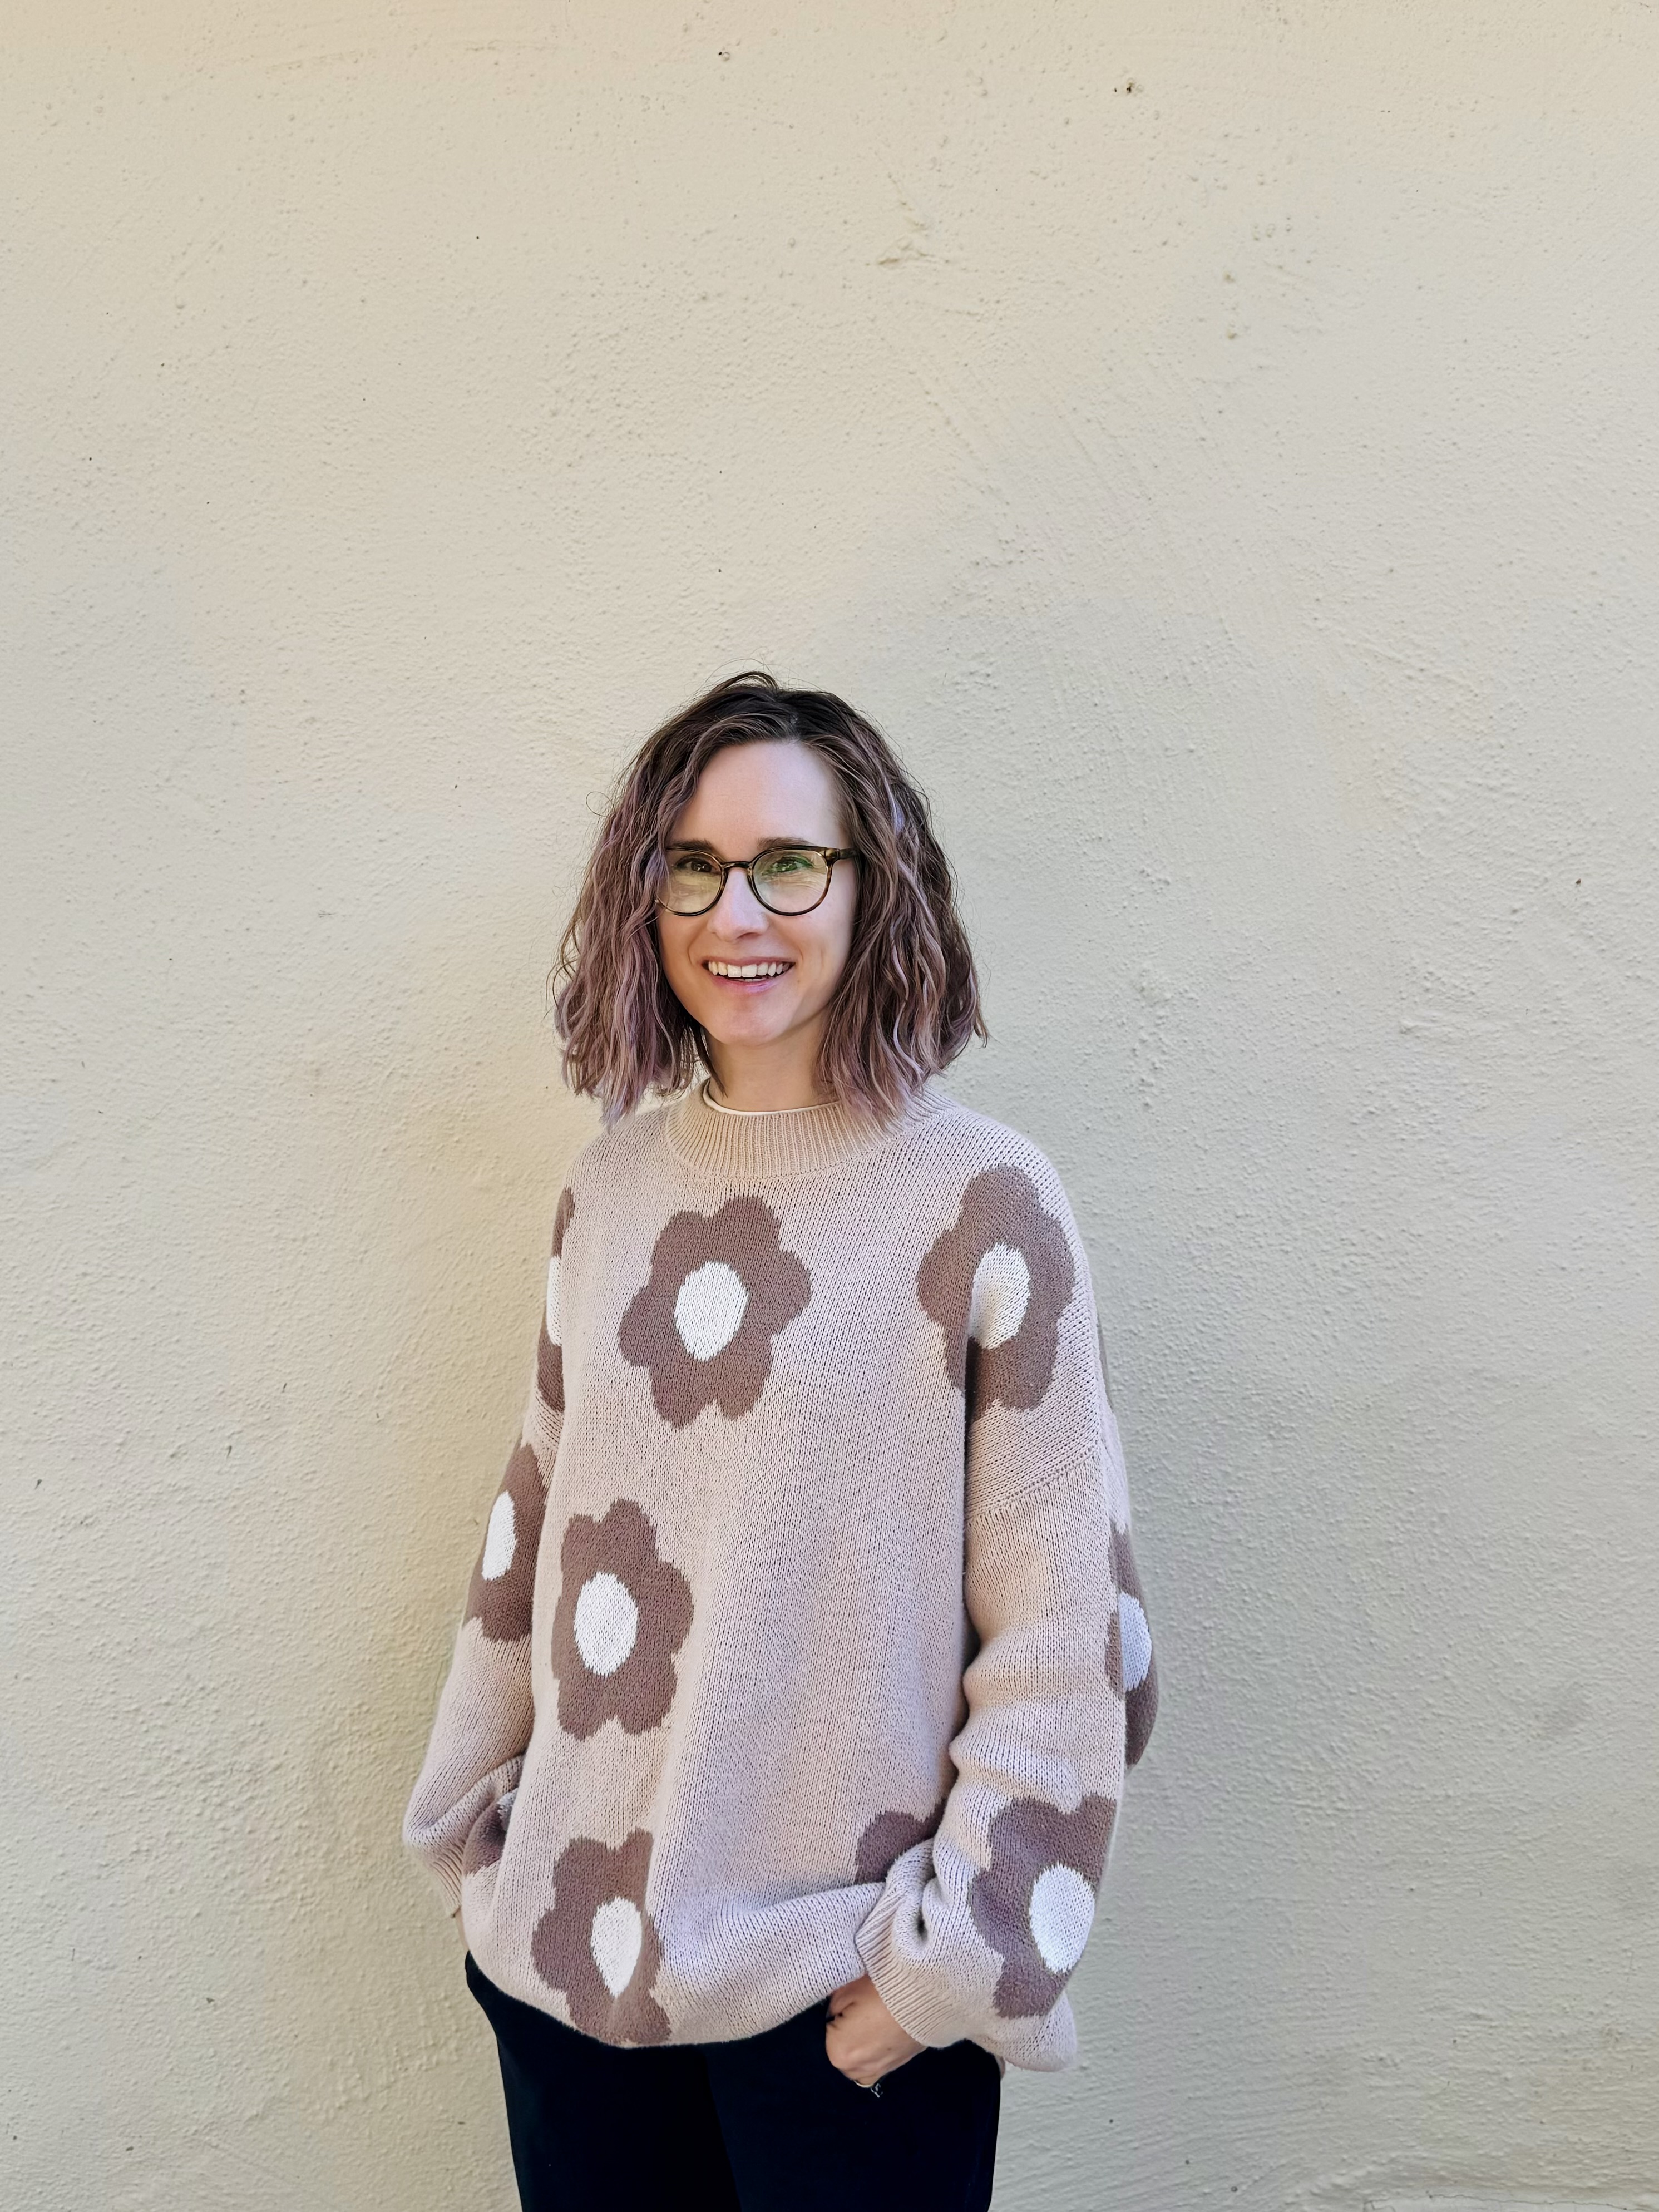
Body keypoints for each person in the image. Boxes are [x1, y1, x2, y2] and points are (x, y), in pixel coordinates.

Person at [402, 673, 1158, 2211]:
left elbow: (1064, 1629)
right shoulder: (608, 1189)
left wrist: (949, 1973)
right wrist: (477, 1848)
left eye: (788, 865)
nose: (737, 912)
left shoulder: (979, 1203)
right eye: (695, 867)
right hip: (574, 1976)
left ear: (877, 884)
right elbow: (535, 1533)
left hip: (843, 2005)